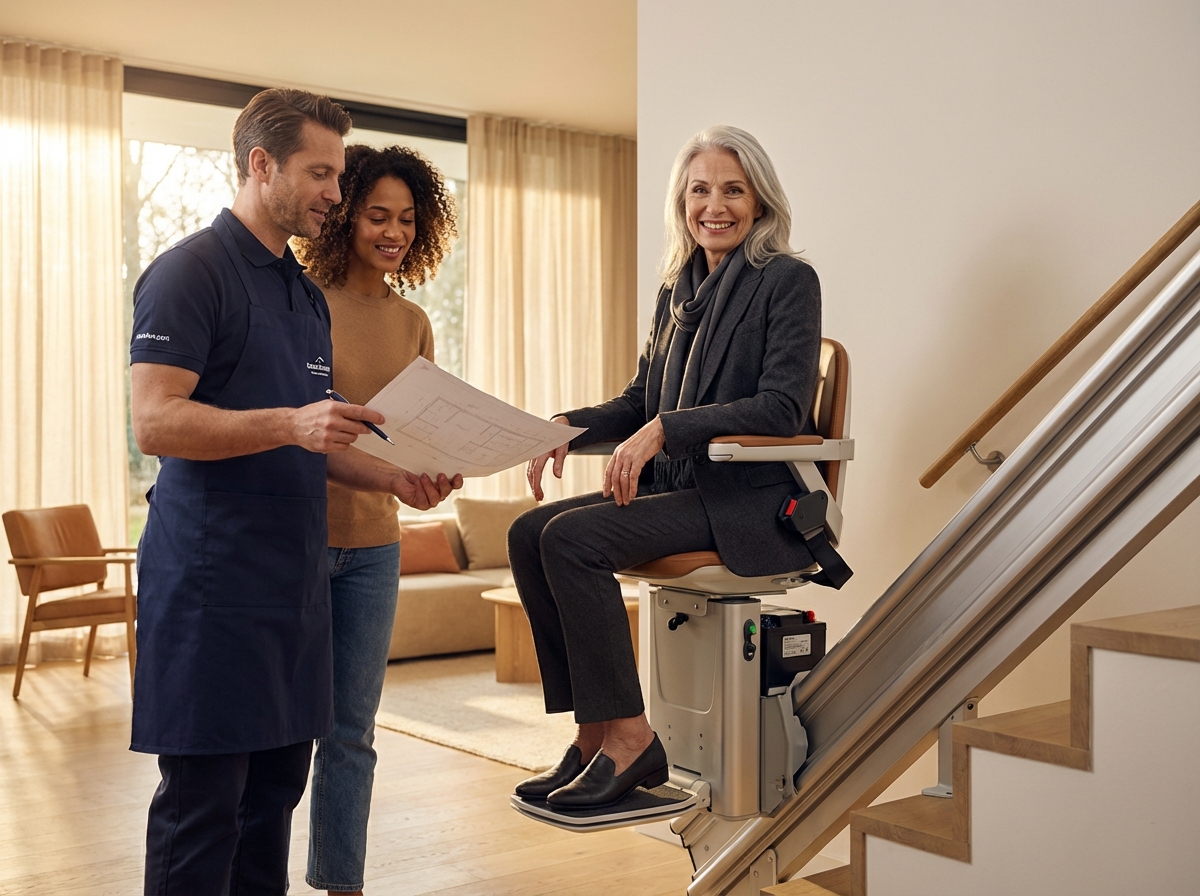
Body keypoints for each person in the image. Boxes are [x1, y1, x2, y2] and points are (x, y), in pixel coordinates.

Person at [129, 89, 459, 895]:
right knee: (206, 801)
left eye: (336, 176)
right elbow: (157, 422)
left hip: (294, 585)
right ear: (261, 165)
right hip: (214, 584)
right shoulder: (187, 273)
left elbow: (318, 440)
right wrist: (289, 424)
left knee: (275, 796)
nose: (333, 195)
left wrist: (392, 478)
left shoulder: (301, 297)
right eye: (320, 174)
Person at [508, 126, 823, 809]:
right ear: (682, 203)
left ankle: (630, 740)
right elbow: (639, 400)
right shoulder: (677, 292)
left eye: (733, 190)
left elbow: (782, 408)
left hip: (744, 501)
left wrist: (664, 430)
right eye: (699, 190)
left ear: (761, 201)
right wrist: (567, 425)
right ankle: (595, 734)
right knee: (529, 533)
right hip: (679, 492)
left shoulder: (788, 282)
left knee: (573, 539)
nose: (716, 205)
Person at [292, 144, 459, 896]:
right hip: (294, 541)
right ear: (345, 216)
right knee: (282, 734)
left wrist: (436, 474)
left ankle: (343, 886)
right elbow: (298, 427)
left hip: (374, 548)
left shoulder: (414, 320)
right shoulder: (297, 301)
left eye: (407, 219)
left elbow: (414, 434)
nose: (393, 232)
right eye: (377, 215)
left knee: (351, 735)